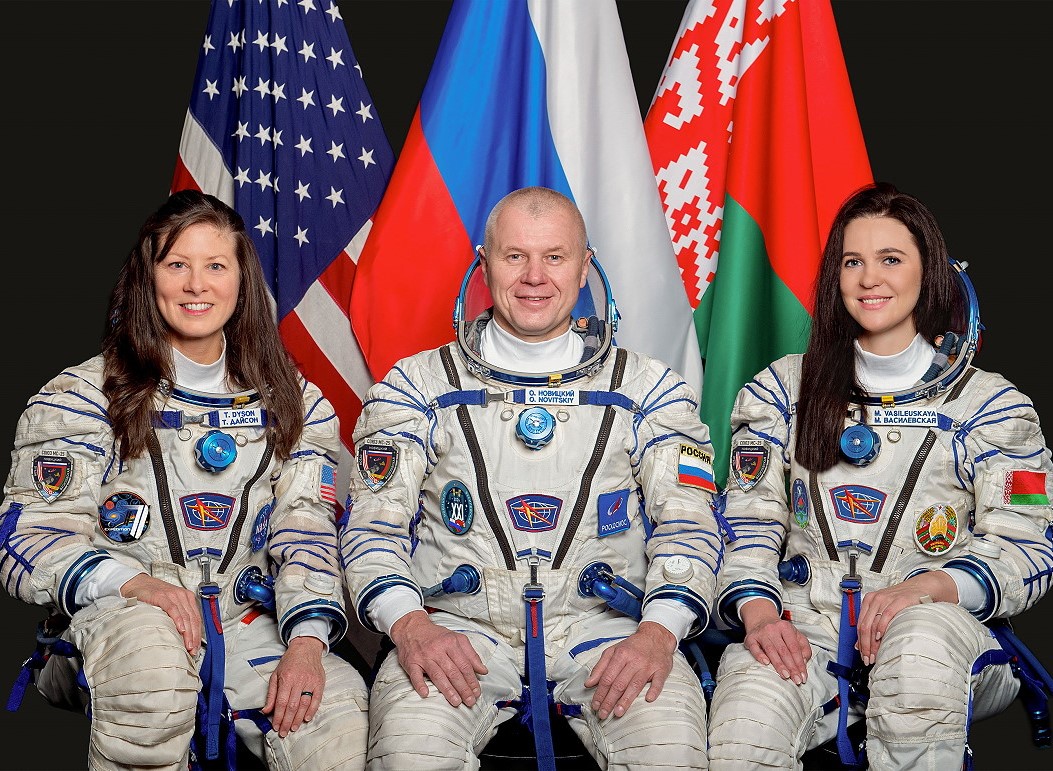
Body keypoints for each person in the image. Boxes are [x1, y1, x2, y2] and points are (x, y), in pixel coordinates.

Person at [340, 186, 720, 770]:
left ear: (585, 264)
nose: (535, 276)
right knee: (408, 754)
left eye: (555, 256)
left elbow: (689, 526)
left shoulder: (647, 389)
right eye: (515, 255)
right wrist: (410, 624)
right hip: (456, 630)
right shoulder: (417, 387)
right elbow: (371, 529)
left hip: (609, 630)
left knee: (669, 751)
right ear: (483, 262)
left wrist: (658, 632)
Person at [0, 190, 368, 770]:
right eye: (177, 265)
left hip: (249, 620)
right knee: (152, 675)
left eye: (215, 266)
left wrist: (306, 641)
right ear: (148, 279)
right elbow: (32, 536)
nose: (197, 285)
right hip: (122, 614)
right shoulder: (82, 397)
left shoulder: (295, 403)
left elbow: (308, 533)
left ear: (241, 282)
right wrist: (136, 585)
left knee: (340, 728)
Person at [706, 182, 1053, 769]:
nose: (871, 279)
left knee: (918, 656)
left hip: (941, 635)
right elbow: (746, 522)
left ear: (931, 274)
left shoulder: (990, 407)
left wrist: (927, 589)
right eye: (853, 261)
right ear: (834, 278)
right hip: (804, 624)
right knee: (744, 724)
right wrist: (760, 613)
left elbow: (1028, 549)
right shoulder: (784, 391)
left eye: (891, 259)